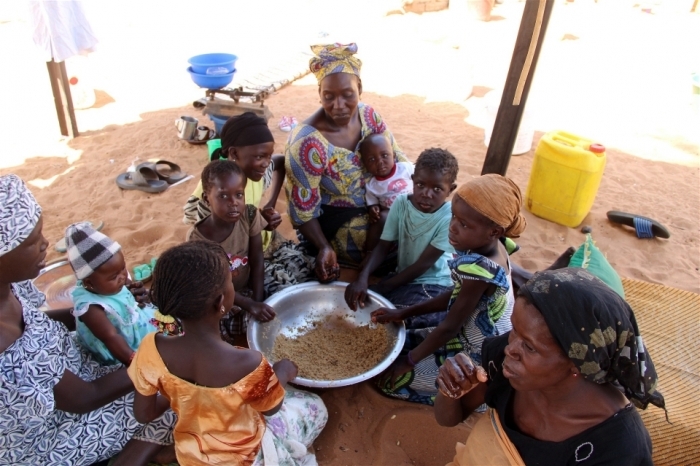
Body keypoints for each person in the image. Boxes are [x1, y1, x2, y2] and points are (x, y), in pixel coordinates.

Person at [0, 174, 176, 465]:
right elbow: (84, 399)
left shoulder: (9, 288)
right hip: (49, 435)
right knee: (173, 396)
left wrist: (95, 315)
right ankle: (134, 456)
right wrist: (156, 361)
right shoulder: (8, 350)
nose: (45, 244)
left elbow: (39, 323)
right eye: (32, 242)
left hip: (69, 372)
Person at [435, 268, 664, 465]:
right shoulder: (510, 364)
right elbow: (448, 419)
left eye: (530, 347)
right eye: (515, 330)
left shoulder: (618, 449)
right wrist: (451, 390)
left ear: (577, 364)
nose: (510, 348)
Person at [128, 241, 328, 465]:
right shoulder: (245, 362)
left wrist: (182, 391)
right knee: (315, 407)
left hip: (193, 455)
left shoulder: (151, 347)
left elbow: (144, 414)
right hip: (244, 456)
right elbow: (272, 408)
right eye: (231, 282)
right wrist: (282, 373)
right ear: (221, 302)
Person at [372, 174, 526, 405]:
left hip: (477, 354)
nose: (452, 227)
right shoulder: (490, 246)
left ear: (494, 231)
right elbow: (456, 297)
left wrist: (409, 363)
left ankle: (473, 396)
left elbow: (449, 328)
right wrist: (404, 313)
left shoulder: (480, 269)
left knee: (388, 378)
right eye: (454, 216)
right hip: (464, 332)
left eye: (464, 224)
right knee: (395, 344)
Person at [285, 43, 407, 282]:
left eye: (347, 94)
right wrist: (323, 247)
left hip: (382, 203)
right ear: (319, 93)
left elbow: (398, 158)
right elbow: (302, 213)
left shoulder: (369, 116)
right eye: (328, 97)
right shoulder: (306, 143)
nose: (338, 105)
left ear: (359, 88)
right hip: (336, 221)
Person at [184, 112, 314, 294]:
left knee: (312, 271)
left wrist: (269, 205)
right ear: (234, 153)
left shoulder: (257, 173)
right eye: (260, 157)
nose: (265, 163)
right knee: (287, 291)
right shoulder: (216, 187)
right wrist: (256, 221)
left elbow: (279, 162)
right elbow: (195, 215)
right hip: (241, 258)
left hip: (268, 244)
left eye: (267, 156)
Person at [346, 148, 458, 327]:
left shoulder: (449, 216)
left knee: (406, 320)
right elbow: (383, 246)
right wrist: (363, 277)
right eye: (421, 185)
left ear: (450, 190)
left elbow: (423, 265)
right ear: (412, 180)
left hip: (434, 283)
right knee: (371, 305)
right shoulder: (401, 203)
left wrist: (383, 287)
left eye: (437, 189)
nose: (426, 194)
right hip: (404, 277)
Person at [188, 160, 278, 341]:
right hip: (220, 297)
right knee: (213, 328)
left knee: (278, 303)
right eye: (223, 196)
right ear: (207, 198)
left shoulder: (249, 215)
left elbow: (257, 259)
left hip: (248, 287)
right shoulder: (198, 240)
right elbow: (213, 286)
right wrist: (249, 305)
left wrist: (257, 300)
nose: (234, 203)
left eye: (239, 195)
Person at [65, 222, 178, 366]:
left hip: (137, 325)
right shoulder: (90, 308)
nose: (123, 276)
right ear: (89, 282)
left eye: (123, 268)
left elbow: (128, 286)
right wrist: (135, 362)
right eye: (114, 276)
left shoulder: (108, 282)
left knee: (175, 329)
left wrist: (134, 289)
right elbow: (111, 337)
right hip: (123, 347)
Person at [359, 133, 415, 253]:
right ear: (365, 164)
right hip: (393, 217)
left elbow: (422, 179)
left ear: (393, 156)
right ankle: (369, 252)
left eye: (384, 155)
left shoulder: (406, 168)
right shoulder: (372, 186)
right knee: (381, 218)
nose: (379, 162)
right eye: (372, 159)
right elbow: (372, 203)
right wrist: (373, 209)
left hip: (416, 209)